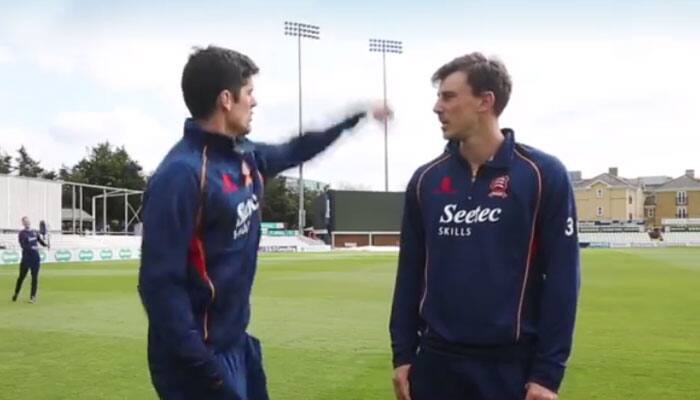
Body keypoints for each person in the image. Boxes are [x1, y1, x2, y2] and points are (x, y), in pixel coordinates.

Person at [138, 45, 392, 400]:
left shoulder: (247, 156)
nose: (254, 102)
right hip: (196, 360)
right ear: (226, 99)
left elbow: (297, 148)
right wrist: (201, 366)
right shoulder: (181, 176)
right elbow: (158, 286)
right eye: (249, 93)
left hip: (236, 345)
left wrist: (354, 119)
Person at [389, 52, 580, 400]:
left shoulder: (541, 175)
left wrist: (548, 374)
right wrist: (402, 355)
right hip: (435, 364)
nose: (436, 107)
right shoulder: (425, 180)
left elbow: (564, 279)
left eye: (448, 96)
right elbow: (410, 273)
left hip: (510, 369)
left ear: (485, 101)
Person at [12, 216, 48, 303]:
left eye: (28, 221)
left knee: (34, 278)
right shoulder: (22, 233)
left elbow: (40, 241)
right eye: (25, 222)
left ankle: (33, 297)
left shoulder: (35, 232)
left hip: (35, 259)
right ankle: (16, 293)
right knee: (21, 277)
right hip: (26, 259)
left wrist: (46, 244)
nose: (27, 223)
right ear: (23, 223)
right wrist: (33, 247)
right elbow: (23, 246)